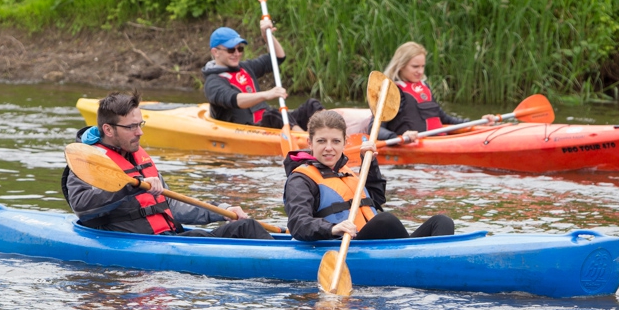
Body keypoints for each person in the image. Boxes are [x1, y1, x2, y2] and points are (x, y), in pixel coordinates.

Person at [62, 91, 273, 239]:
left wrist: (222, 211)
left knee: (245, 227)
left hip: (170, 237)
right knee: (248, 230)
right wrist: (129, 187)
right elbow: (82, 207)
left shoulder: (137, 156)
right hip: (141, 245)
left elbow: (170, 204)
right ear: (108, 130)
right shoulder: (86, 160)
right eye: (132, 127)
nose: (140, 132)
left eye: (140, 124)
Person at [283, 110, 455, 241]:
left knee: (442, 221)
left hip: (368, 242)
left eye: (336, 141)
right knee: (386, 220)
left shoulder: (345, 171)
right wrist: (333, 228)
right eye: (321, 141)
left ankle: (441, 264)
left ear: (345, 142)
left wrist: (370, 163)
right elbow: (298, 223)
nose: (329, 148)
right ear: (310, 143)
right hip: (340, 244)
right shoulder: (301, 179)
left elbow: (375, 201)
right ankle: (419, 261)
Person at [202, 21, 323, 131]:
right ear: (215, 52)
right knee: (274, 115)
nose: (237, 54)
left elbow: (278, 58)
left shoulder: (246, 67)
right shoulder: (213, 82)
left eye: (240, 49)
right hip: (245, 130)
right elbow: (235, 99)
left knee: (311, 105)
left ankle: (334, 133)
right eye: (231, 50)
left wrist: (267, 36)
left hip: (269, 123)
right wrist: (266, 94)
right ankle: (306, 142)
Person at [378, 41, 496, 142]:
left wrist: (479, 122)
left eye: (422, 66)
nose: (420, 71)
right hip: (410, 144)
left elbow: (444, 119)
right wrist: (397, 138)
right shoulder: (392, 92)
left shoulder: (424, 87)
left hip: (436, 140)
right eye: (415, 66)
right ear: (401, 66)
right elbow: (375, 128)